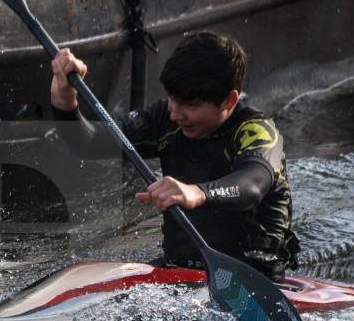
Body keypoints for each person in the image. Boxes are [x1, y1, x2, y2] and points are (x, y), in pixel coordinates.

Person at [49, 30, 299, 281]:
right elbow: (88, 143)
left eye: (191, 105)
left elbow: (253, 185)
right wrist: (65, 99)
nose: (174, 115)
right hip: (178, 270)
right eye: (172, 99)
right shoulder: (166, 120)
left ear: (228, 100)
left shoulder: (257, 132)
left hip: (254, 276)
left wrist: (197, 193)